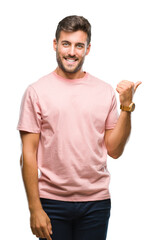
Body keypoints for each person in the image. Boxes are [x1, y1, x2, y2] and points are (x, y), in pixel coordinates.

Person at [17, 15, 141, 240]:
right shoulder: (36, 91)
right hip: (51, 202)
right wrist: (35, 209)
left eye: (78, 45)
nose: (71, 52)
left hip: (96, 203)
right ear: (55, 44)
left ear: (88, 49)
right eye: (66, 44)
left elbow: (114, 150)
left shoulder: (104, 91)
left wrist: (126, 107)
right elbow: (28, 154)